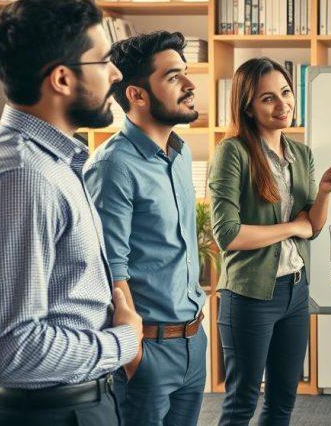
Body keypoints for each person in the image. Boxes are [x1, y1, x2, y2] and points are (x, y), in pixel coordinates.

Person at [0, 0, 141, 425]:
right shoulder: (23, 178)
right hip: (47, 413)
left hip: (70, 402)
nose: (116, 72)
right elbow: (12, 351)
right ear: (62, 80)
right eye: (104, 60)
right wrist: (124, 341)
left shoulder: (47, 160)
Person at [209, 57, 331, 426]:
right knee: (241, 404)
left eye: (285, 93)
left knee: (283, 403)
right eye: (268, 98)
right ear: (249, 107)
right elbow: (228, 233)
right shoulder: (233, 152)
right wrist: (291, 228)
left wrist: (323, 194)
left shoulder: (301, 154)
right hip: (251, 296)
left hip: (295, 291)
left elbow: (313, 227)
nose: (282, 104)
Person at [84, 31, 207, 425]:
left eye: (186, 74)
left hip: (193, 342)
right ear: (137, 95)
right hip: (147, 351)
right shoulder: (113, 165)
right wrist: (135, 356)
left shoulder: (181, 153)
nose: (190, 85)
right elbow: (107, 267)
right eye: (173, 77)